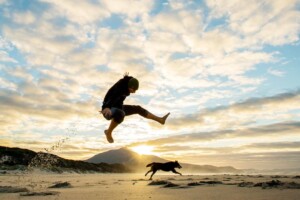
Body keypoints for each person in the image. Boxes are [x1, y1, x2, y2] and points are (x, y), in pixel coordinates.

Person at [100, 73, 170, 143]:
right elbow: (111, 96)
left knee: (138, 109)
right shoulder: (119, 88)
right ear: (131, 86)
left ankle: (160, 120)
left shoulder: (127, 84)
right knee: (121, 113)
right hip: (108, 110)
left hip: (118, 107)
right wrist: (106, 107)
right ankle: (108, 132)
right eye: (134, 90)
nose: (134, 92)